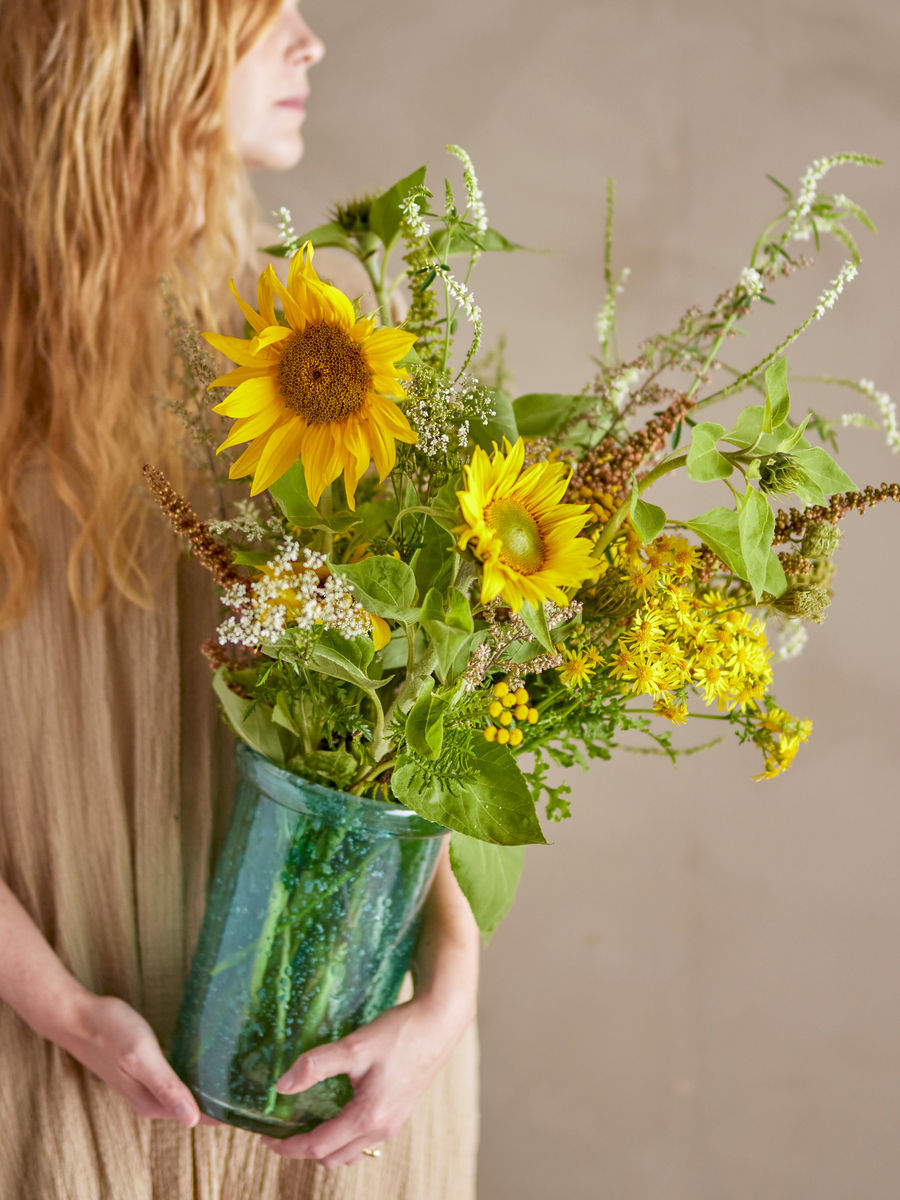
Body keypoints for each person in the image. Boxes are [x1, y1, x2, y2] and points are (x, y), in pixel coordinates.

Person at [0, 2, 480, 1196]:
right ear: (141, 46)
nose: (313, 43)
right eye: (267, 17)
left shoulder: (319, 356)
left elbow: (399, 744)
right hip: (53, 1057)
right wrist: (60, 1012)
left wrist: (452, 991)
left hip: (335, 1072)